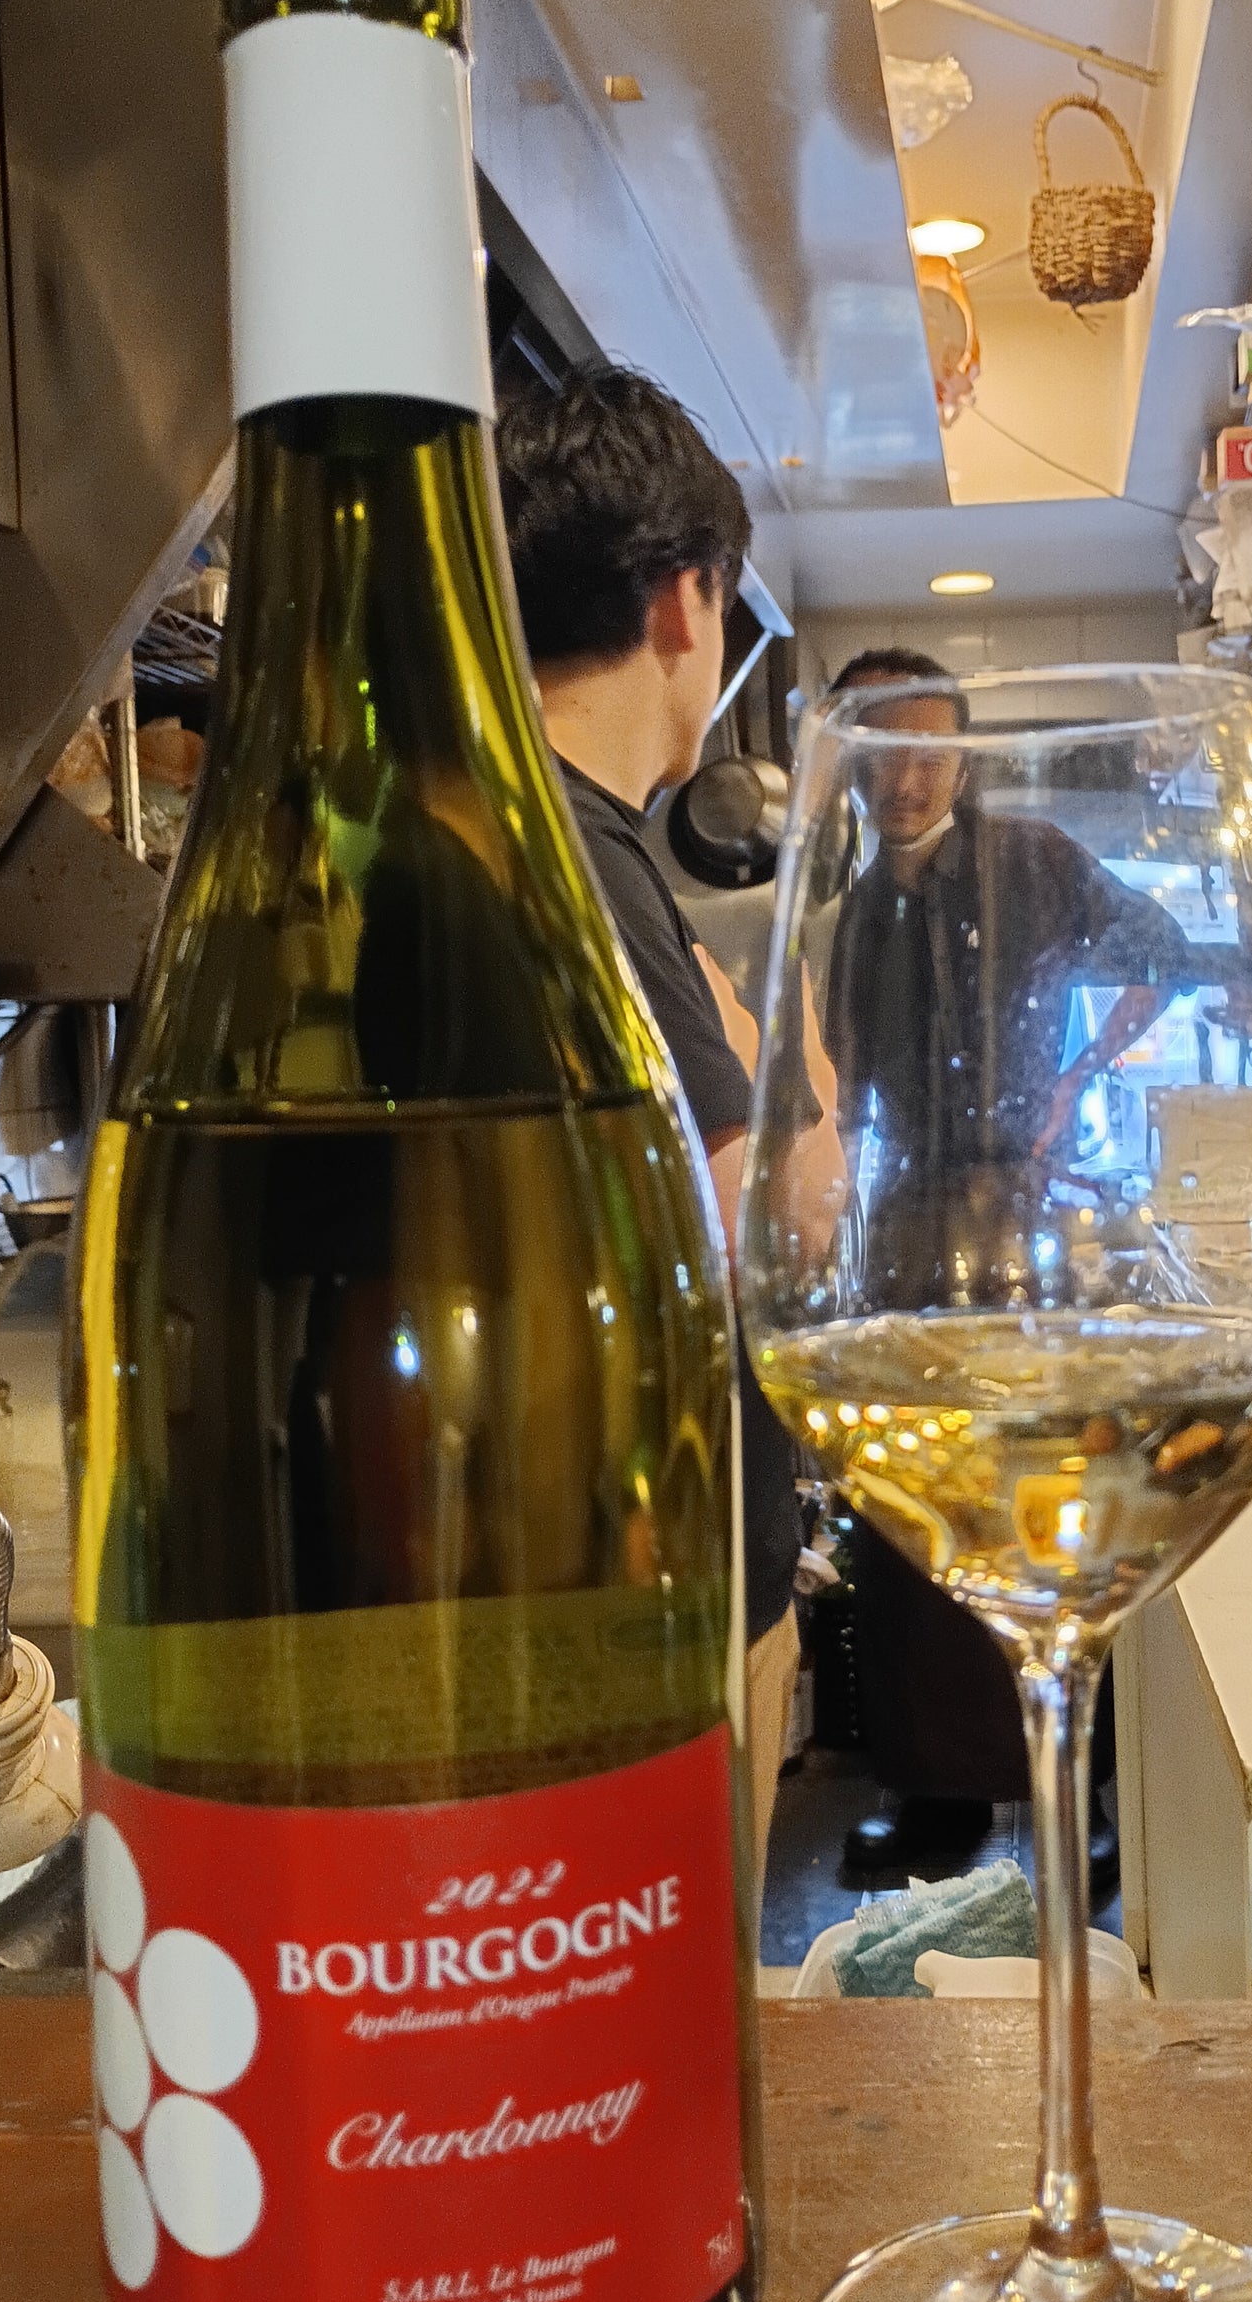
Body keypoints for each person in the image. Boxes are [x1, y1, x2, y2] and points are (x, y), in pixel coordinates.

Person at [496, 365, 842, 1888]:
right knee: (689, 2000)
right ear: (681, 601)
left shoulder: (500, 831)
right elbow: (779, 1216)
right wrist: (797, 1048)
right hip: (664, 1592)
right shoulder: (587, 855)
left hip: (582, 1574)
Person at [819, 648, 1194, 1881]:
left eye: (929, 748)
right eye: (883, 751)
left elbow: (1162, 948)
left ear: (961, 756)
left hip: (1019, 1225)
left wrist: (1078, 1076)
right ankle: (937, 1793)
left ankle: (1075, 1786)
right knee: (903, 1517)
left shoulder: (1033, 858)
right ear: (853, 763)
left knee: (1037, 1500)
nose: (908, 776)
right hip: (895, 1230)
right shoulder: (853, 904)